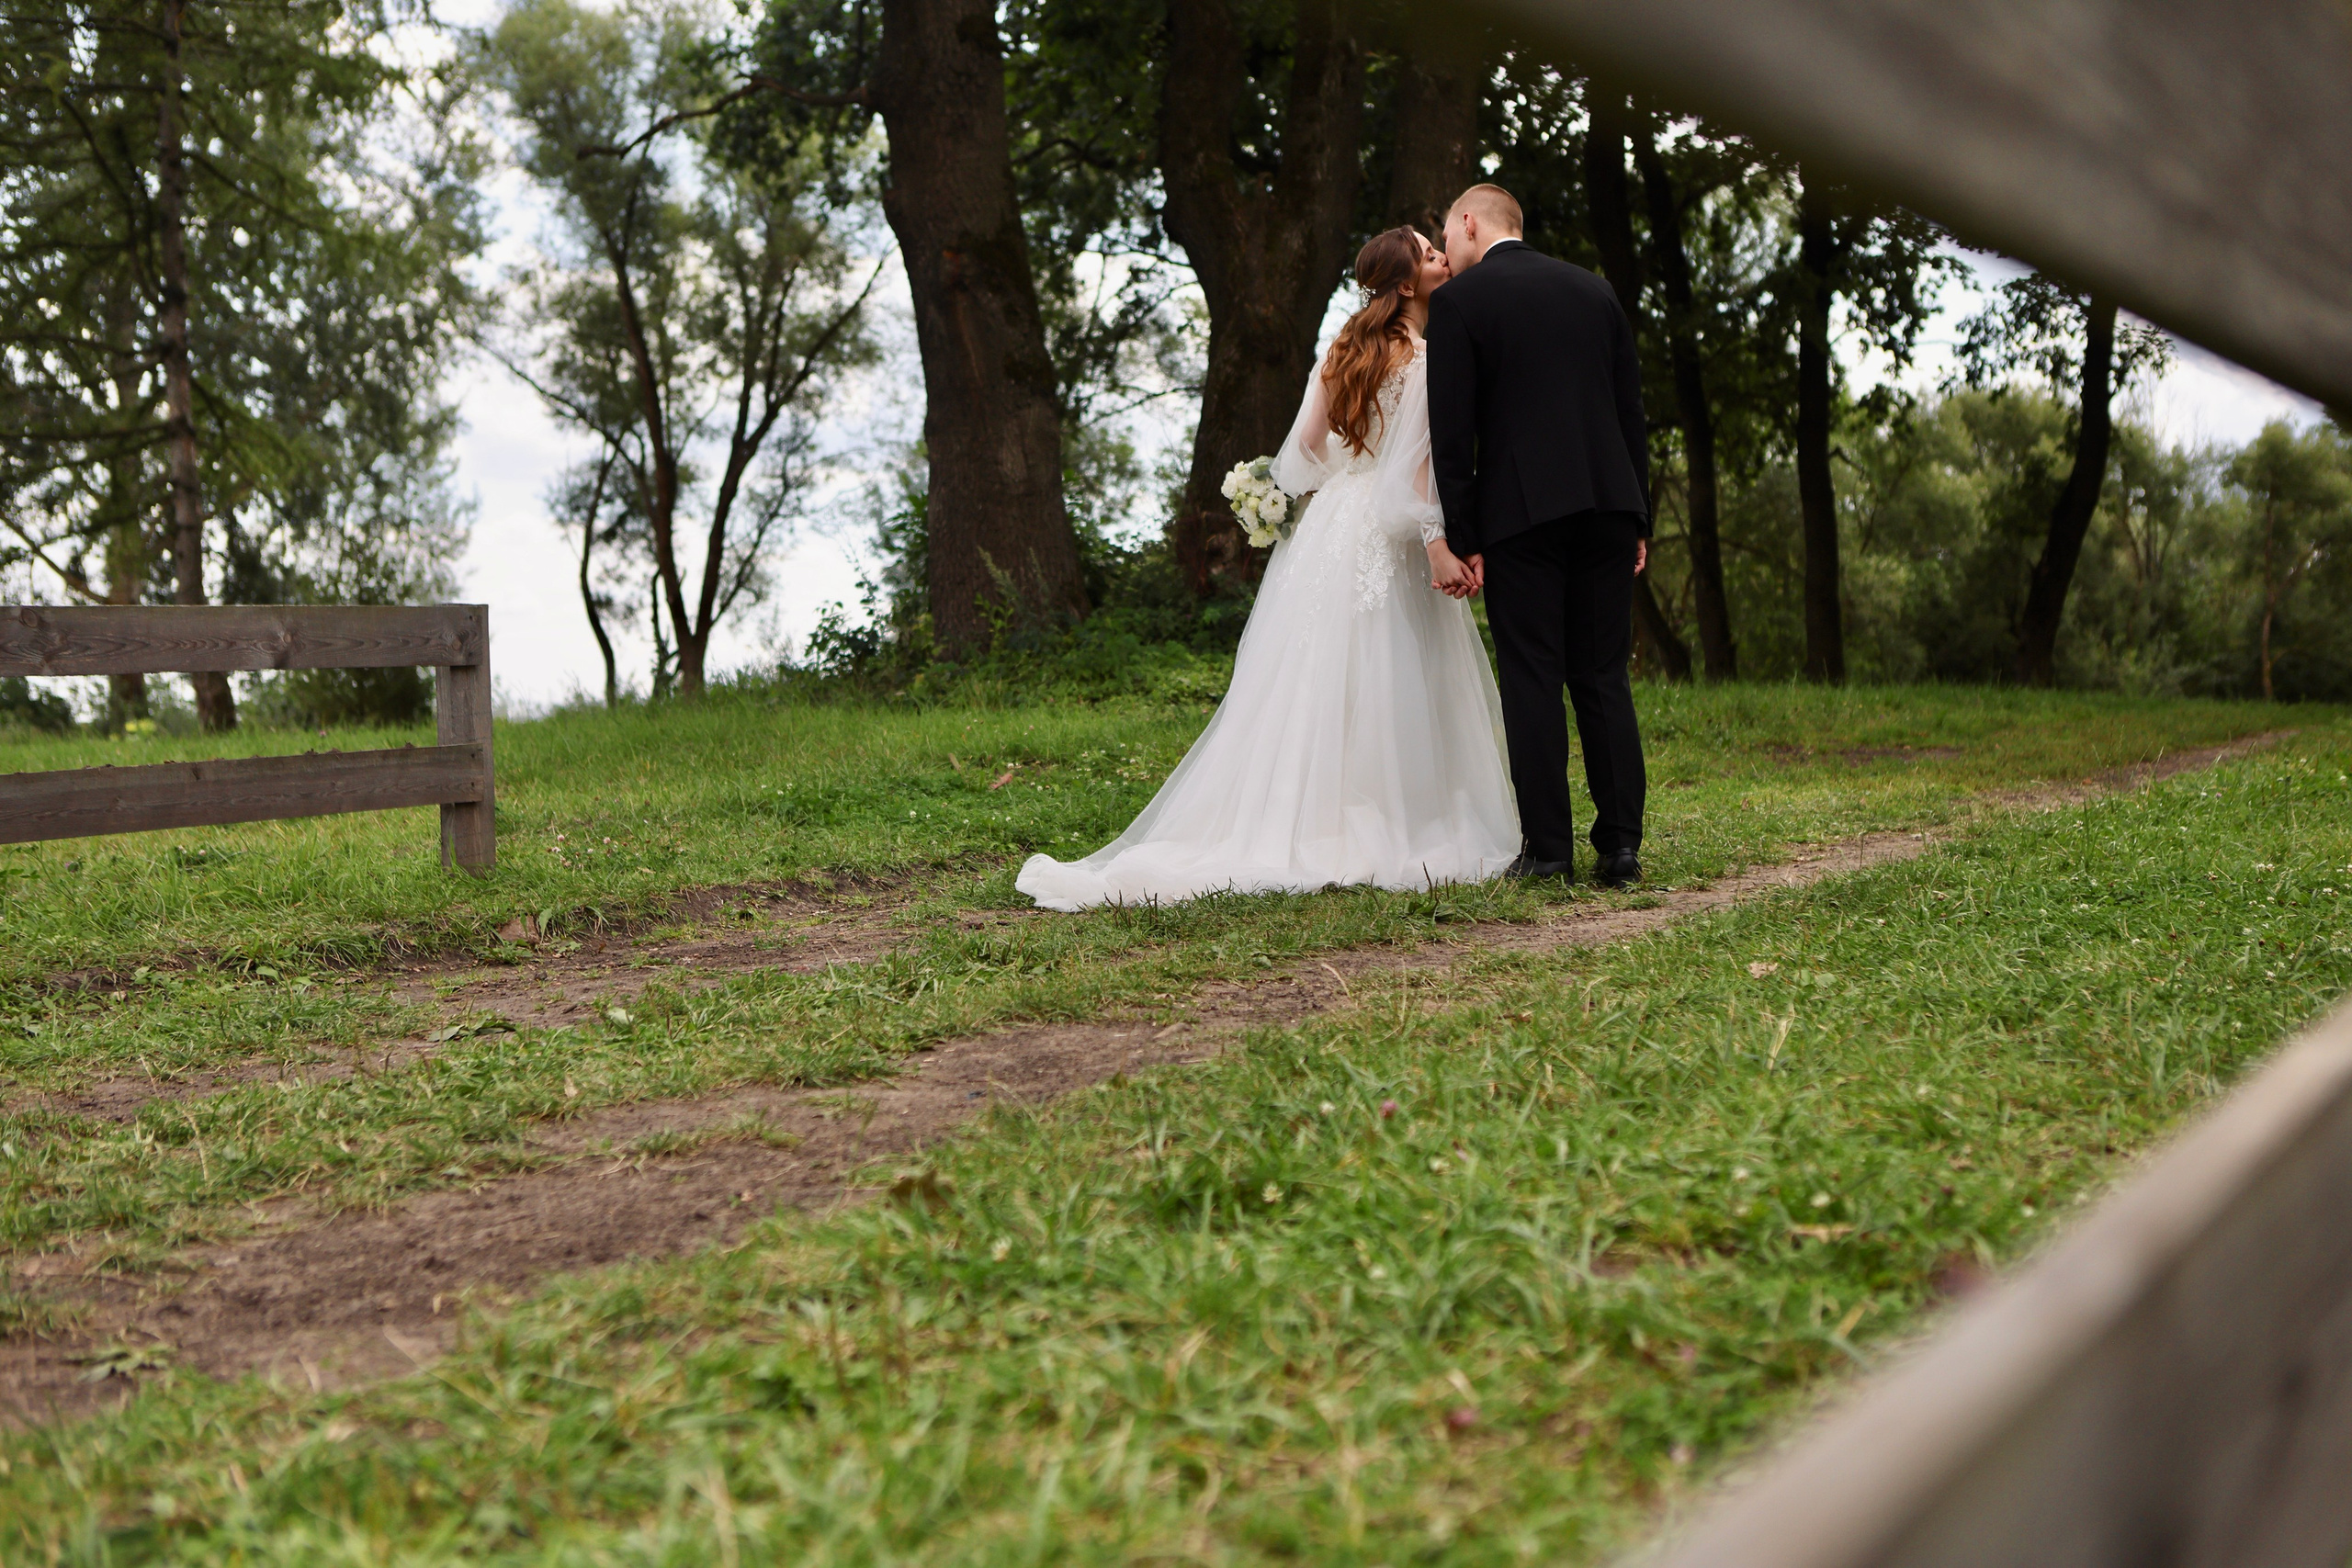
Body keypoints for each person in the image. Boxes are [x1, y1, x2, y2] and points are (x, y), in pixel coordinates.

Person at [1016, 228, 1518, 911]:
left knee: (1320, 674)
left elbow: (1303, 455)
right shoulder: (1428, 360)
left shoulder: (1341, 354)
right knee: (1395, 669)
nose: (1442, 259)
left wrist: (1345, 480)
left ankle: (1308, 815)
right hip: (1393, 530)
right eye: (1430, 255)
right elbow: (1419, 472)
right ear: (1406, 285)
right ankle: (1396, 821)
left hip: (1335, 527)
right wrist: (1438, 536)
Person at [1426, 183, 1651, 888]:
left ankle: (1548, 851)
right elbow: (1629, 411)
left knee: (1532, 677)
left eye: (1446, 236)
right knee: (1602, 675)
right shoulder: (1595, 291)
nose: (1448, 253)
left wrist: (1463, 534)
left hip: (1522, 514)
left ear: (1467, 223)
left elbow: (1451, 431)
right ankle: (1620, 850)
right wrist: (1637, 515)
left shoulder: (1460, 303)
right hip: (1609, 507)